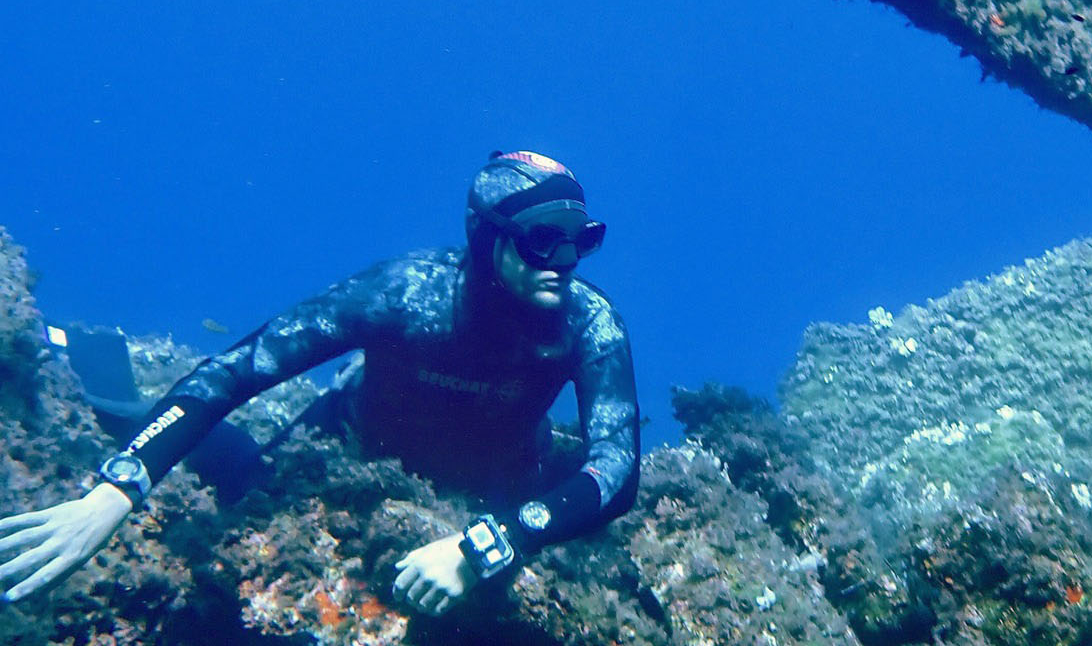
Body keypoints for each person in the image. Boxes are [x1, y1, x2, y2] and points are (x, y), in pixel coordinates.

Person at [0, 151, 640, 617]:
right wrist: (114, 491)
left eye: (582, 240)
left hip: (497, 482)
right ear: (485, 236)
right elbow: (239, 369)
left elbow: (617, 469)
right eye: (541, 241)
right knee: (241, 486)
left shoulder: (589, 322)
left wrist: (493, 541)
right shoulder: (403, 294)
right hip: (351, 450)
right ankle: (114, 392)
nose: (565, 262)